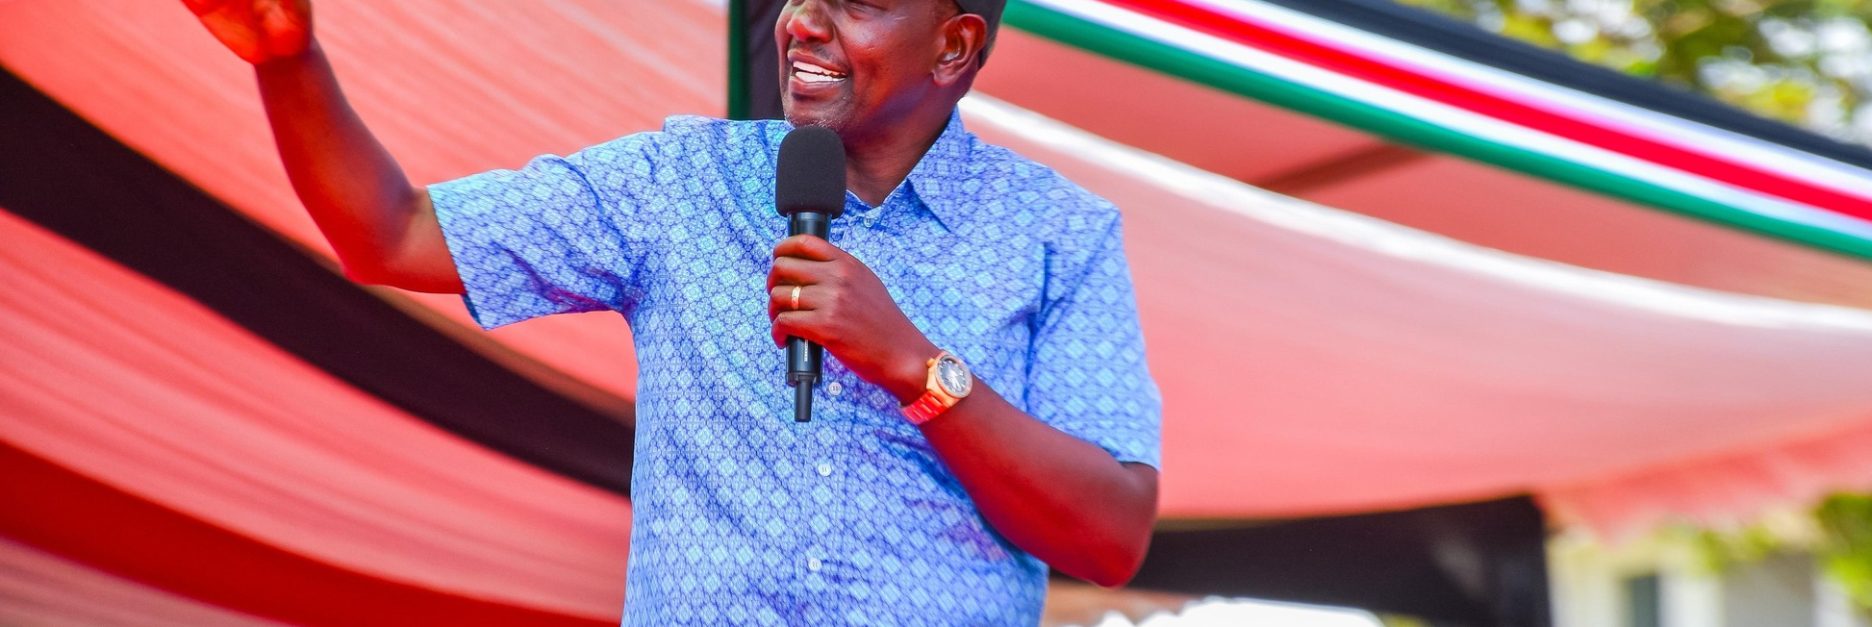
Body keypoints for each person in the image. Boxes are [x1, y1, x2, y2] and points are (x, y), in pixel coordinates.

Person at [184, 0, 1162, 623]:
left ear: (953, 46)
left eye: (856, 2)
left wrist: (914, 366)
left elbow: (1111, 537)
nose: (804, 22)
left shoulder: (1057, 235)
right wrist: (288, 62)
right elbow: (392, 234)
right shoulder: (678, 182)